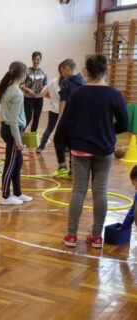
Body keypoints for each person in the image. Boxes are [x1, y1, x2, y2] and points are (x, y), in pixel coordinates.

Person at [56, 54, 129, 248]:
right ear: (106, 70)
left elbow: (63, 125)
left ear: (87, 71)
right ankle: (96, 236)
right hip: (104, 149)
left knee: (78, 191)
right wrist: (108, 131)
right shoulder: (114, 94)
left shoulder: (77, 94)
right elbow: (125, 123)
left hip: (80, 149)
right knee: (100, 192)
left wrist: (66, 143)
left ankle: (71, 235)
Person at [0, 61, 31, 205]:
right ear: (23, 75)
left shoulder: (9, 88)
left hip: (11, 129)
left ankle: (17, 192)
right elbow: (13, 120)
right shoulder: (17, 93)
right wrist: (18, 140)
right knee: (11, 163)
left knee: (18, 162)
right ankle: (5, 196)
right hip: (12, 130)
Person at [52, 58, 87, 179]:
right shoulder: (83, 81)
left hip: (68, 118)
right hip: (80, 119)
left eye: (62, 71)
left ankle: (62, 166)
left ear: (67, 68)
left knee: (58, 139)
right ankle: (73, 171)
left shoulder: (66, 82)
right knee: (73, 143)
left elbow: (63, 101)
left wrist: (60, 120)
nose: (61, 75)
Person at [36, 62, 63, 153]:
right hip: (64, 111)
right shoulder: (68, 83)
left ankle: (40, 147)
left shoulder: (52, 81)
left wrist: (51, 96)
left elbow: (42, 93)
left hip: (53, 110)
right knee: (65, 129)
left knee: (49, 128)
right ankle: (65, 147)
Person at [21, 51, 47, 132]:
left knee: (36, 119)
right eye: (34, 59)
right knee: (27, 118)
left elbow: (45, 84)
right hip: (28, 98)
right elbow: (21, 85)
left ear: (40, 60)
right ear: (32, 59)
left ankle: (32, 137)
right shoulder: (26, 71)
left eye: (38, 59)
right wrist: (29, 90)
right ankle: (19, 135)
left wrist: (43, 88)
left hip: (39, 99)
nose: (36, 61)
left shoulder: (43, 72)